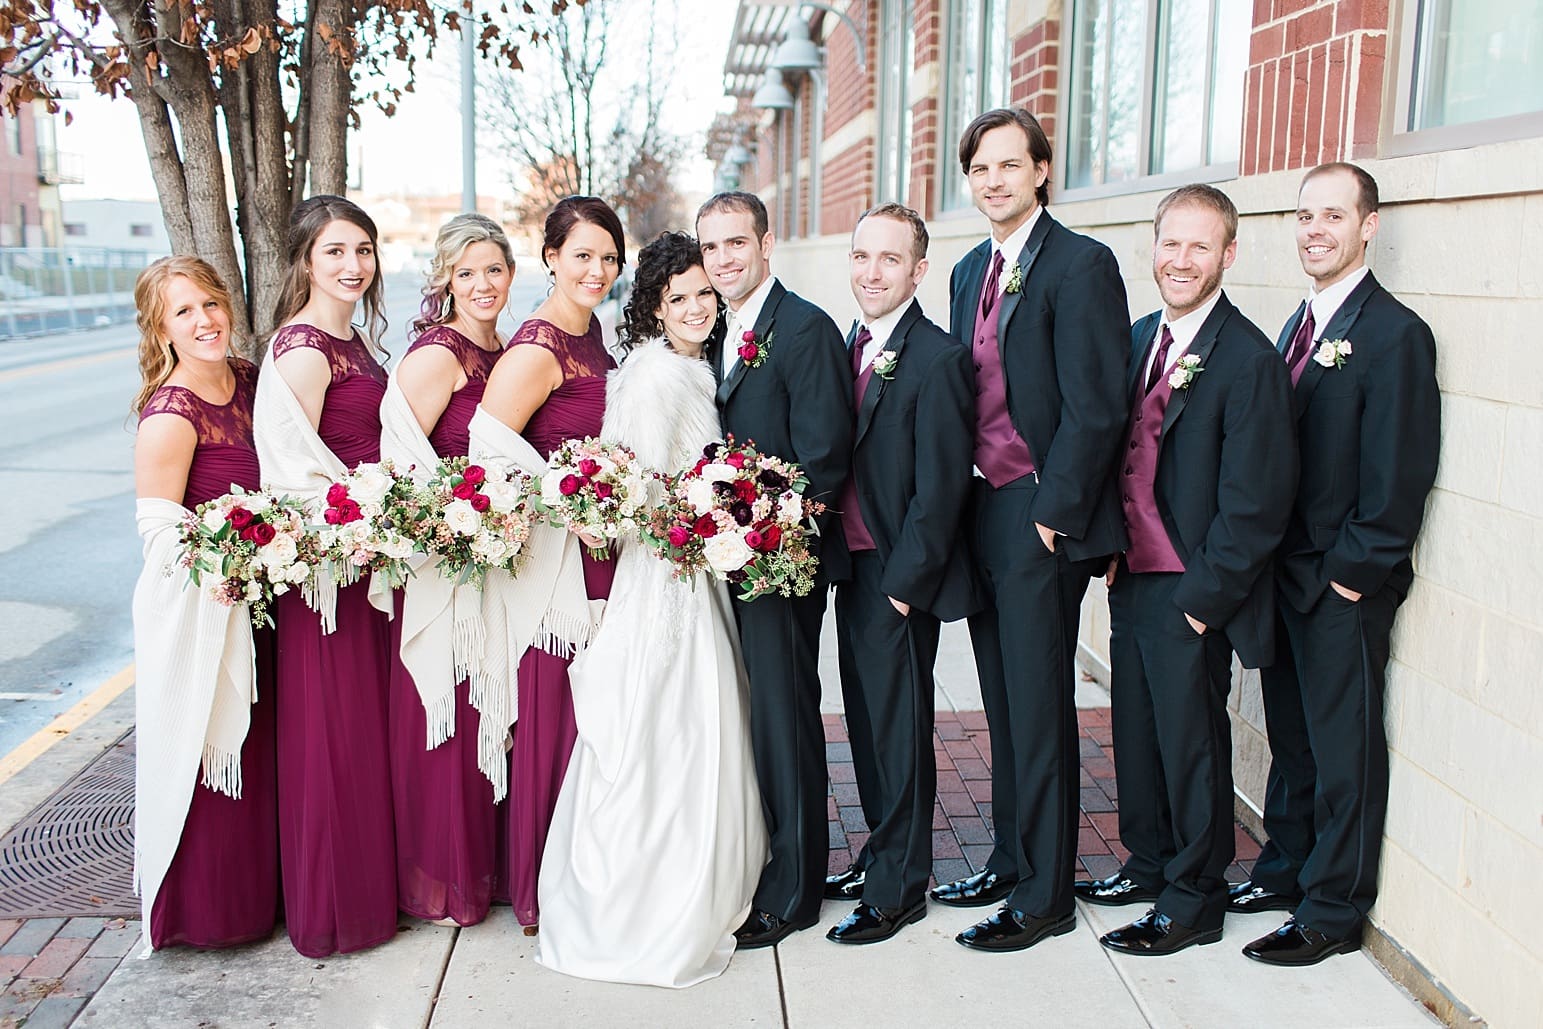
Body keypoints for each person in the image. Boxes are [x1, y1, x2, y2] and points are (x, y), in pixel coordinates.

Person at [536, 232, 768, 986]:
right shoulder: (652, 377)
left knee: (700, 722)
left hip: (696, 570)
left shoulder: (700, 364)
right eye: (679, 298)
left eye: (704, 292)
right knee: (660, 726)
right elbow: (633, 489)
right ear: (654, 307)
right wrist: (700, 514)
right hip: (664, 573)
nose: (697, 307)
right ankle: (647, 898)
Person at [1075, 185, 1297, 956]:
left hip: (1192, 588)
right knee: (1134, 733)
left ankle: (1195, 895)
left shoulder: (1248, 358)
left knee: (1190, 743)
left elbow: (1258, 501)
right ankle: (1147, 861)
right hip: (1130, 574)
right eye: (1171, 242)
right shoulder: (1137, 338)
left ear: (1227, 255)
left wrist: (1203, 602)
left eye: (1199, 246)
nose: (1180, 259)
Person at [931, 107, 1130, 952]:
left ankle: (1046, 893)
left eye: (1011, 165)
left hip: (1037, 513)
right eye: (980, 168)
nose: (995, 181)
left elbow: (1098, 404)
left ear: (1042, 171)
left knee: (1042, 709)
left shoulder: (1082, 266)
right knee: (1003, 703)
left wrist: (1055, 514)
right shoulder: (969, 266)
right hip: (980, 509)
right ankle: (1013, 856)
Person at [1233, 163, 1440, 967]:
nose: (1314, 229)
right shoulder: (1298, 324)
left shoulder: (1393, 334)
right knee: (1292, 739)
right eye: (1303, 215)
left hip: (1341, 585)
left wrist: (1351, 576)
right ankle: (1286, 867)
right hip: (1284, 575)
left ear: (1368, 226)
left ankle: (1331, 908)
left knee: (1343, 749)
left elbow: (1398, 474)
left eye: (1331, 215)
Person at [696, 190, 853, 949]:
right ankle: (772, 860)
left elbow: (824, 460)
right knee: (758, 715)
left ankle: (793, 891)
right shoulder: (719, 328)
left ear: (765, 244)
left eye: (736, 243)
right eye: (711, 247)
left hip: (778, 562)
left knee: (785, 716)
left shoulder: (805, 329)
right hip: (730, 554)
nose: (724, 259)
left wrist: (766, 535)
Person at [822, 204, 979, 945]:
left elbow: (941, 487)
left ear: (918, 271)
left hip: (895, 577)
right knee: (865, 726)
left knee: (899, 733)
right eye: (861, 257)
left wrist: (902, 587)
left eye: (889, 260)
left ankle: (899, 887)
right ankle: (880, 849)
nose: (871, 272)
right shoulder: (851, 342)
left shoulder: (938, 357)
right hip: (850, 570)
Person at [254, 195, 397, 958]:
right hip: (325, 574)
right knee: (330, 735)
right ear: (306, 261)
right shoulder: (305, 348)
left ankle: (368, 895)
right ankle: (334, 910)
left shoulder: (355, 342)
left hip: (363, 560)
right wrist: (363, 512)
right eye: (336, 251)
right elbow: (290, 473)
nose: (352, 265)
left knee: (360, 733)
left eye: (363, 251)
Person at [475, 195, 623, 933]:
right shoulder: (536, 347)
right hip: (555, 564)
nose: (595, 269)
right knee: (553, 717)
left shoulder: (594, 335)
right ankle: (538, 883)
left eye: (606, 257)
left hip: (603, 557)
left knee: (592, 718)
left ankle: (584, 866)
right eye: (581, 255)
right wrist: (571, 498)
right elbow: (488, 455)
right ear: (551, 258)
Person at [130, 256, 279, 951]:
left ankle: (272, 892)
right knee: (216, 753)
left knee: (265, 755)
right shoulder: (170, 413)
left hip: (271, 602)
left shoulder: (253, 381)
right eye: (183, 311)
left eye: (210, 304)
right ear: (162, 330)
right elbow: (157, 531)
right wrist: (219, 565)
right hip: (210, 607)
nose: (203, 321)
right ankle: (214, 914)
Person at [379, 213, 515, 927]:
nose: (482, 283)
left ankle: (486, 865)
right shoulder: (438, 354)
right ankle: (441, 877)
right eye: (466, 272)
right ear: (445, 279)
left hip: (498, 560)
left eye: (493, 269)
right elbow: (398, 462)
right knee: (448, 715)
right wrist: (457, 520)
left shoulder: (507, 350)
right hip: (444, 561)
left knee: (488, 711)